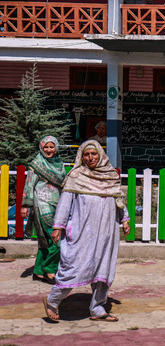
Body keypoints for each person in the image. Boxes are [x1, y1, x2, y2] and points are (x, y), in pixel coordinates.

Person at [42, 140, 130, 322]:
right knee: (74, 267)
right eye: (87, 155)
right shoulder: (76, 175)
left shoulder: (111, 175)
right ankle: (53, 300)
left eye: (94, 154)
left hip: (106, 232)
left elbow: (118, 199)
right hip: (83, 231)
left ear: (101, 155)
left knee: (103, 268)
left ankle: (97, 308)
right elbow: (65, 203)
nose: (90, 158)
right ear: (81, 156)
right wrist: (58, 226)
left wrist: (125, 219)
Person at [21, 136, 66, 284]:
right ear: (41, 147)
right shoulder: (37, 164)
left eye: (51, 147)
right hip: (42, 205)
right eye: (46, 147)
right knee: (56, 238)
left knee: (46, 240)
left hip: (57, 204)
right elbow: (29, 185)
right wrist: (25, 205)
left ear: (56, 147)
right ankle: (50, 269)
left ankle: (39, 271)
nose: (49, 150)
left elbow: (64, 183)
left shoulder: (59, 163)